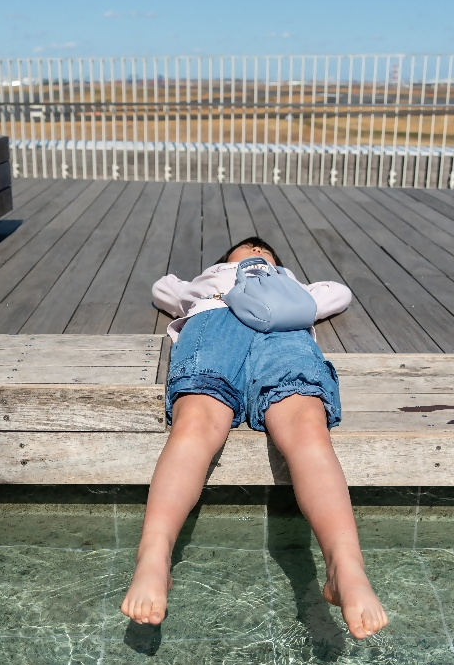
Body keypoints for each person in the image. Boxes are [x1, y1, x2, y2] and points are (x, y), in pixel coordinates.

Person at [120, 237, 388, 639]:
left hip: (283, 331)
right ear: (224, 260)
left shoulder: (288, 281)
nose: (256, 251)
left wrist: (280, 280)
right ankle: (153, 557)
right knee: (195, 422)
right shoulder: (213, 279)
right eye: (245, 248)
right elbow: (165, 288)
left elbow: (337, 293)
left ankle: (345, 566)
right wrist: (215, 282)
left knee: (307, 427)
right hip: (215, 322)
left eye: (264, 251)